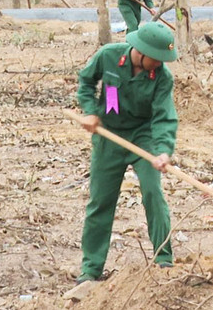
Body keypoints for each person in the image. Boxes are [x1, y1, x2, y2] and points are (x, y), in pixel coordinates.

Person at [74, 22, 179, 284]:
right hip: (109, 134)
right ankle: (91, 268)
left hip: (142, 137)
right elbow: (86, 81)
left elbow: (164, 116)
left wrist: (164, 150)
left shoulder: (162, 77)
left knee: (153, 193)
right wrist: (89, 111)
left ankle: (163, 258)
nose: (159, 64)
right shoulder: (109, 55)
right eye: (155, 59)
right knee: (101, 201)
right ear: (140, 51)